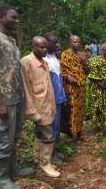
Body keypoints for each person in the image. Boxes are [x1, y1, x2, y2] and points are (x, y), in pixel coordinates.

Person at [0, 6, 33, 189]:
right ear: (1, 16)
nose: (16, 20)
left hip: (17, 97)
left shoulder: (11, 39)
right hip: (4, 98)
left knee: (14, 136)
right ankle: (2, 178)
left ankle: (13, 169)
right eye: (13, 17)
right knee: (3, 137)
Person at [20, 36, 61, 177]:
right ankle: (45, 163)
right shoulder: (26, 63)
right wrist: (32, 112)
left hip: (48, 105)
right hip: (38, 108)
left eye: (45, 47)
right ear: (33, 47)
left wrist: (53, 106)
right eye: (41, 47)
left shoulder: (44, 62)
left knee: (41, 134)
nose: (45, 50)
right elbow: (25, 90)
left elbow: (48, 87)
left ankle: (39, 160)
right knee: (48, 136)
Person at [43, 32, 66, 164]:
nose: (56, 44)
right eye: (53, 42)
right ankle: (48, 156)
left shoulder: (54, 57)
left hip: (58, 98)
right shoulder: (43, 59)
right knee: (49, 128)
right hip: (48, 100)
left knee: (56, 127)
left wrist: (62, 97)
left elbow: (59, 78)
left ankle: (54, 152)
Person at [60, 35, 85, 140]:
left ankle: (79, 131)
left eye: (78, 42)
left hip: (81, 87)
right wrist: (68, 77)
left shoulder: (82, 55)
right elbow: (63, 70)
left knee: (80, 109)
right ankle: (71, 133)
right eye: (75, 42)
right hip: (71, 87)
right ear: (70, 43)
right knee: (72, 110)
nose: (77, 44)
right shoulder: (65, 54)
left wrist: (85, 63)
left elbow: (86, 71)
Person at [87, 43, 106, 131]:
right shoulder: (95, 60)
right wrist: (99, 83)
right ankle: (98, 126)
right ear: (102, 50)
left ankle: (105, 126)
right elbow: (91, 75)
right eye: (105, 50)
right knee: (97, 107)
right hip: (97, 88)